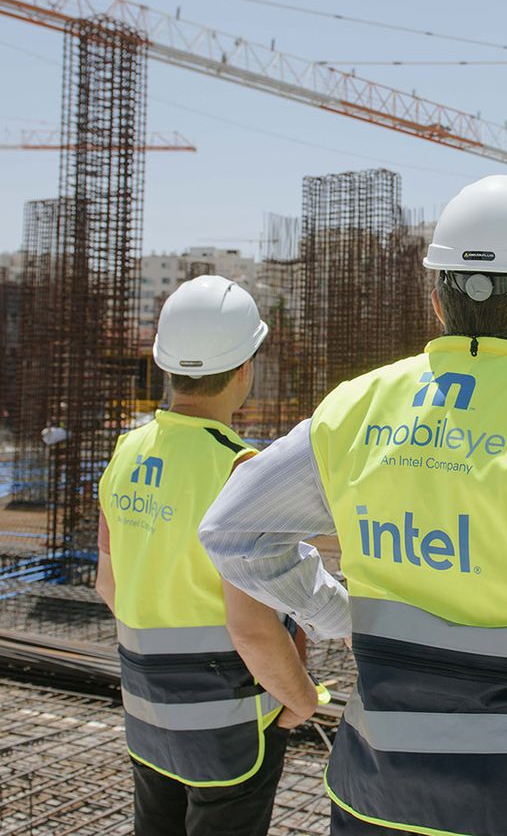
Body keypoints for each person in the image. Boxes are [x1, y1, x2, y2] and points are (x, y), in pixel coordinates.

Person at [199, 174, 507, 836]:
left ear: (438, 299)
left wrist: (337, 613)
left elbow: (231, 531)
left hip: (380, 793)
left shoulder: (357, 406)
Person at [96, 275, 318, 836]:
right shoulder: (238, 469)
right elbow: (251, 630)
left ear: (165, 364)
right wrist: (301, 699)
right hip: (227, 726)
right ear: (246, 368)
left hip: (146, 713)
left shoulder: (126, 449)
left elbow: (109, 584)